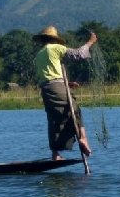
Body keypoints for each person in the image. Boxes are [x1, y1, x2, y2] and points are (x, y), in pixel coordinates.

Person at [33, 25, 98, 161]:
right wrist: (90, 42)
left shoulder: (39, 55)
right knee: (75, 111)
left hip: (46, 90)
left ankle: (55, 154)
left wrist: (67, 84)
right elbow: (79, 54)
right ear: (53, 39)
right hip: (57, 88)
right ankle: (83, 139)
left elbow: (48, 77)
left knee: (54, 119)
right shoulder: (55, 48)